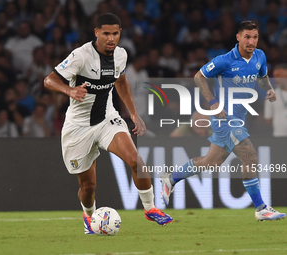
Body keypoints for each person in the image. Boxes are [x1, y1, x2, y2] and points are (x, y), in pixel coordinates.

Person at [44, 13, 172, 234]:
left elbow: (121, 81)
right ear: (96, 33)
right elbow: (49, 80)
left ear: (120, 33)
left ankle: (150, 209)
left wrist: (134, 113)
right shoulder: (81, 56)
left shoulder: (121, 55)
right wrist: (70, 90)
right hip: (78, 127)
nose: (111, 38)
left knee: (136, 160)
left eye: (115, 33)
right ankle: (88, 214)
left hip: (107, 119)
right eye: (106, 33)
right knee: (88, 187)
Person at [161, 20, 286, 221]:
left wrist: (268, 89)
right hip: (225, 119)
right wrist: (212, 102)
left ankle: (171, 178)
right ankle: (261, 208)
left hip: (240, 119)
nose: (251, 41)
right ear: (238, 37)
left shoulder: (260, 56)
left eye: (255, 37)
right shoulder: (225, 60)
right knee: (250, 157)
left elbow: (262, 76)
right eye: (247, 37)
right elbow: (198, 76)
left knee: (211, 162)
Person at [264, 63, 287, 137]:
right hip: (279, 136)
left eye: (278, 76)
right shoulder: (271, 95)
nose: (275, 79)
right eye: (274, 76)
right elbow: (268, 118)